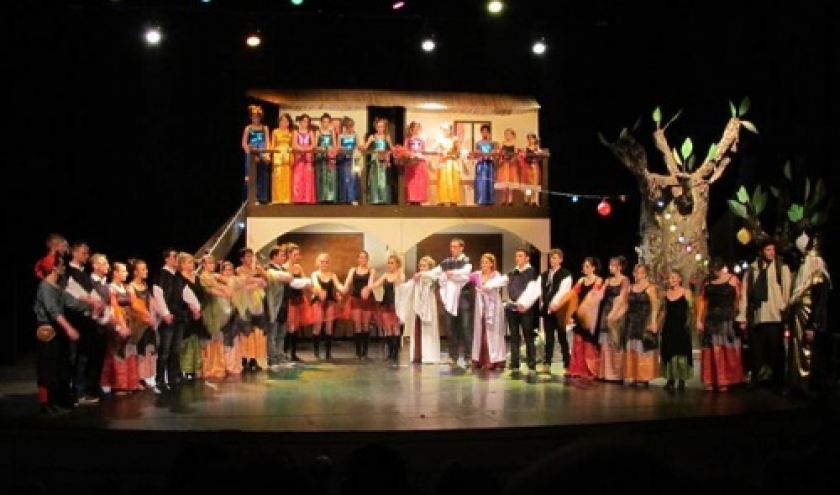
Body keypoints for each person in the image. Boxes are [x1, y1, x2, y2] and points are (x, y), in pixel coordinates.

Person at [33, 253, 98, 415]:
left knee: (61, 366)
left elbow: (71, 302)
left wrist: (91, 307)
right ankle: (46, 403)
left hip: (58, 330)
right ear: (54, 268)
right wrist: (69, 328)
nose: (63, 267)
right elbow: (54, 312)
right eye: (61, 264)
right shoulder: (45, 286)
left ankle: (58, 399)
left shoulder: (58, 287)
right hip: (47, 329)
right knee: (48, 368)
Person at [737, 236, 792, 389]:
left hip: (775, 316)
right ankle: (756, 378)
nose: (771, 252)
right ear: (761, 251)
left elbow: (787, 291)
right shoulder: (753, 269)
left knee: (775, 351)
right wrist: (742, 316)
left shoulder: (782, 268)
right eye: (768, 249)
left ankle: (778, 381)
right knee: (756, 351)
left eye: (773, 249)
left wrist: (783, 307)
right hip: (758, 315)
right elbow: (745, 293)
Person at [786, 231, 832, 398]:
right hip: (800, 317)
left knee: (810, 352)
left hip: (809, 319)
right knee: (798, 350)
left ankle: (808, 384)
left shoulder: (819, 278)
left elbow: (820, 304)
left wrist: (812, 325)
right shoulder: (803, 279)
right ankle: (797, 383)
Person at [420, 237, 473, 369]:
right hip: (450, 299)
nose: (452, 249)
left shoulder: (466, 261)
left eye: (455, 247)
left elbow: (465, 273)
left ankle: (468, 357)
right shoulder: (446, 262)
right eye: (451, 247)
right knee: (450, 328)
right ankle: (453, 357)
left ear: (461, 248)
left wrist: (452, 273)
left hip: (463, 298)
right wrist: (422, 274)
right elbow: (435, 272)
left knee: (465, 328)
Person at [695, 258, 744, 392]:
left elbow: (740, 299)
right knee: (711, 350)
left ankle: (726, 380)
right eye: (712, 270)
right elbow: (702, 302)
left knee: (726, 349)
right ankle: (710, 380)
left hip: (727, 319)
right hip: (711, 319)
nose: (714, 272)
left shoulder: (733, 280)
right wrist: (699, 320)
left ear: (722, 268)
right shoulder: (707, 282)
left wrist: (742, 318)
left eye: (716, 270)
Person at [615, 263, 660, 387]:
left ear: (645, 274)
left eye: (641, 272)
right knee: (631, 346)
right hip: (631, 321)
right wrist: (617, 317)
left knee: (643, 347)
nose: (638, 275)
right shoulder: (630, 288)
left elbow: (655, 306)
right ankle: (633, 375)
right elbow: (625, 305)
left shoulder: (650, 288)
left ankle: (644, 377)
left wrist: (654, 321)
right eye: (636, 272)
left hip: (644, 320)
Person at [559, 256, 603, 381]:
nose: (585, 268)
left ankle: (591, 369)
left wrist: (585, 311)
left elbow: (593, 296)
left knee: (589, 342)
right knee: (578, 341)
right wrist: (560, 303)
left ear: (593, 268)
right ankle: (577, 369)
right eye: (584, 266)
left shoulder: (598, 280)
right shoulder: (581, 280)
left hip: (591, 314)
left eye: (587, 266)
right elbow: (572, 293)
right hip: (579, 312)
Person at [152, 248, 189, 392]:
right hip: (168, 317)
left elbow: (186, 292)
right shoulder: (161, 275)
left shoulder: (178, 276)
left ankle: (173, 376)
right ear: (167, 259)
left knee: (175, 348)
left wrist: (195, 307)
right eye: (174, 257)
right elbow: (158, 295)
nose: (176, 259)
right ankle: (160, 379)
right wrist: (165, 313)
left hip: (179, 316)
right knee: (165, 349)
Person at [395, 255, 441, 364]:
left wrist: (421, 275)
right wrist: (398, 284)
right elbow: (405, 287)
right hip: (418, 308)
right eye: (420, 266)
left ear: (430, 267)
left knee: (428, 330)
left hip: (428, 307)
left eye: (424, 266)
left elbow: (432, 276)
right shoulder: (417, 278)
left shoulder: (432, 276)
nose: (421, 268)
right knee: (417, 330)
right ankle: (418, 355)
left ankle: (429, 355)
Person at [469, 253, 508, 370]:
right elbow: (464, 278)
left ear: (491, 264)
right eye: (482, 262)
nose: (483, 264)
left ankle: (493, 359)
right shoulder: (477, 275)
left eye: (486, 262)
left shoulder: (496, 275)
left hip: (493, 307)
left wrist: (488, 286)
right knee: (481, 332)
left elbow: (504, 281)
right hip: (481, 307)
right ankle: (480, 359)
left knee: (492, 333)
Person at [595, 255, 630, 383]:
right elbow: (600, 294)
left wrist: (614, 313)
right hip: (607, 310)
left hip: (618, 312)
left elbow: (623, 297)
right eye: (610, 265)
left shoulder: (625, 280)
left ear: (619, 267)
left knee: (616, 341)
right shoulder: (608, 280)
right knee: (606, 342)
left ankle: (617, 375)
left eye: (613, 265)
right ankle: (606, 373)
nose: (610, 267)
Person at [507, 247, 542, 374]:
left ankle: (531, 364)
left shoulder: (531, 272)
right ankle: (514, 363)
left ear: (527, 258)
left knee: (528, 336)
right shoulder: (512, 272)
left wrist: (524, 303)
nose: (518, 258)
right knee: (514, 336)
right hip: (513, 307)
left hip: (525, 308)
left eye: (520, 256)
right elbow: (510, 287)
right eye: (516, 256)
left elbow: (532, 290)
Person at [659, 270, 693, 391]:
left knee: (681, 352)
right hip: (669, 326)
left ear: (680, 279)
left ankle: (682, 379)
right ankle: (670, 379)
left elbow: (691, 310)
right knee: (669, 352)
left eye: (674, 277)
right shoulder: (666, 293)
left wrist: (689, 323)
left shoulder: (686, 292)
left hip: (681, 326)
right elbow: (663, 311)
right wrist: (657, 324)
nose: (671, 280)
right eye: (670, 278)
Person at [540, 249, 573, 372]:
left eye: (554, 258)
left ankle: (567, 364)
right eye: (551, 258)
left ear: (560, 259)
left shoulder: (566, 274)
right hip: (547, 310)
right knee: (548, 338)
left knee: (562, 337)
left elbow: (563, 291)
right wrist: (546, 304)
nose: (552, 260)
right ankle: (547, 363)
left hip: (559, 309)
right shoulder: (545, 275)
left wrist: (554, 304)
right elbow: (542, 291)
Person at [370, 254, 406, 363]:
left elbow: (400, 282)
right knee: (388, 329)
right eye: (388, 263)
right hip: (386, 304)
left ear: (397, 264)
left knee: (395, 328)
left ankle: (395, 353)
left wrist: (398, 272)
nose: (389, 265)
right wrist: (371, 277)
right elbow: (374, 285)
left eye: (392, 263)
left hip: (396, 304)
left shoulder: (401, 275)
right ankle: (390, 352)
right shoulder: (385, 275)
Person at [342, 250, 377, 360]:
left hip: (367, 300)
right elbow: (347, 284)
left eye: (365, 257)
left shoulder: (371, 270)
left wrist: (367, 289)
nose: (363, 259)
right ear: (358, 259)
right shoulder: (353, 270)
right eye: (361, 257)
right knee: (357, 325)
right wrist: (342, 291)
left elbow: (371, 283)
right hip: (356, 299)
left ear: (368, 259)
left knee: (365, 325)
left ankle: (365, 352)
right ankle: (358, 353)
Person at [310, 252, 345, 361]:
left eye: (326, 262)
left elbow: (338, 285)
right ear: (318, 262)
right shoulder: (315, 274)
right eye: (322, 262)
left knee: (329, 328)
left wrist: (342, 289)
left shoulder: (332, 274)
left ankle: (328, 353)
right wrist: (320, 291)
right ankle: (316, 352)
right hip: (318, 301)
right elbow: (316, 284)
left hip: (330, 301)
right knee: (317, 326)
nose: (324, 264)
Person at [241, 104, 271, 204]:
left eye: (257, 117)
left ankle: (262, 198)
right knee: (251, 175)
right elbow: (244, 143)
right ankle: (251, 198)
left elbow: (267, 141)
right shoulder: (248, 128)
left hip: (262, 151)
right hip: (252, 152)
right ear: (251, 118)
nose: (256, 119)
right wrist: (249, 154)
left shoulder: (264, 128)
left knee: (263, 174)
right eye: (254, 117)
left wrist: (267, 154)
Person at [364, 117, 394, 205]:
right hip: (375, 159)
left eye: (382, 127)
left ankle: (383, 198)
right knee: (374, 179)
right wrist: (362, 147)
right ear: (376, 127)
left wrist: (387, 154)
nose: (380, 128)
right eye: (378, 127)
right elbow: (365, 147)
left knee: (383, 179)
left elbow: (392, 149)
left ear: (384, 128)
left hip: (384, 159)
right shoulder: (372, 137)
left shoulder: (386, 137)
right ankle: (375, 199)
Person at [434, 122, 463, 206]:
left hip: (452, 162)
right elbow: (434, 149)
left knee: (453, 181)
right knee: (443, 180)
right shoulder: (440, 140)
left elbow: (458, 152)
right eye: (444, 130)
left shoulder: (454, 140)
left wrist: (454, 155)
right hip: (443, 162)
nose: (445, 131)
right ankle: (442, 200)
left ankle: (453, 200)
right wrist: (441, 153)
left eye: (447, 129)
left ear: (450, 130)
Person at [269, 112, 295, 204]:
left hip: (287, 154)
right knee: (277, 176)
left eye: (286, 121)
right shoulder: (275, 131)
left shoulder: (291, 132)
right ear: (279, 122)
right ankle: (277, 198)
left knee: (287, 177)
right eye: (282, 120)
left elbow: (292, 146)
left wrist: (292, 156)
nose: (284, 123)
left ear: (289, 123)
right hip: (278, 155)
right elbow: (272, 145)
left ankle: (286, 199)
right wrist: (269, 154)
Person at [292, 113, 316, 204]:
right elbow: (294, 144)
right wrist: (301, 149)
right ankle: (298, 198)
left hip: (308, 155)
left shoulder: (310, 132)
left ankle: (307, 198)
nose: (305, 123)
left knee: (308, 176)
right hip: (299, 155)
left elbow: (313, 144)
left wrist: (307, 149)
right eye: (304, 121)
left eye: (307, 121)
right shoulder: (296, 132)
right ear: (300, 122)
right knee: (298, 176)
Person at [403, 121, 430, 205]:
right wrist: (410, 155)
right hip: (411, 162)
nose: (417, 129)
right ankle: (412, 198)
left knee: (420, 181)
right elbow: (405, 150)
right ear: (411, 129)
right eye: (415, 127)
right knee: (412, 181)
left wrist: (420, 155)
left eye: (418, 127)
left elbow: (423, 150)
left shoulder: (422, 139)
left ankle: (419, 199)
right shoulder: (408, 140)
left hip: (420, 162)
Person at [337, 116, 361, 205]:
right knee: (344, 178)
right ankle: (344, 198)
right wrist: (342, 150)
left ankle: (353, 198)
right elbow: (338, 147)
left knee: (353, 178)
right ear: (346, 127)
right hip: (344, 160)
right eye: (351, 127)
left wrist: (357, 151)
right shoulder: (341, 136)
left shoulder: (355, 135)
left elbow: (358, 146)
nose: (352, 128)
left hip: (353, 160)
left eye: (353, 126)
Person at [314, 112, 338, 203]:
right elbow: (315, 146)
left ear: (330, 123)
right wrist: (321, 148)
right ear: (321, 122)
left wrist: (332, 150)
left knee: (330, 175)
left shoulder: (332, 132)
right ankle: (322, 197)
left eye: (327, 122)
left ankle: (330, 197)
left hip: (330, 155)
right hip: (321, 155)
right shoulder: (318, 132)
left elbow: (335, 145)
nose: (326, 124)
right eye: (324, 122)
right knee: (321, 175)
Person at [473, 124, 497, 206]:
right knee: (481, 181)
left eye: (486, 132)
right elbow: (475, 154)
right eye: (483, 132)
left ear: (489, 133)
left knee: (489, 181)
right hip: (481, 164)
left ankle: (490, 200)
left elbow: (495, 153)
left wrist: (492, 154)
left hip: (489, 164)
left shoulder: (492, 143)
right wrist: (478, 154)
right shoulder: (478, 143)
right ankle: (481, 200)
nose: (485, 133)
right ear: (481, 133)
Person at [495, 128, 519, 206]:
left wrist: (513, 159)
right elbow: (500, 153)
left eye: (508, 134)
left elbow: (516, 154)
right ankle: (503, 200)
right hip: (504, 164)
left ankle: (510, 200)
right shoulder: (503, 143)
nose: (507, 135)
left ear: (512, 135)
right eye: (505, 134)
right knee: (504, 182)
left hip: (511, 165)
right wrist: (501, 157)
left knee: (511, 182)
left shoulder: (514, 143)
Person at [520, 133, 543, 206]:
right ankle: (526, 200)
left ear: (535, 139)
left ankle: (533, 200)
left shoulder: (537, 148)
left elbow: (540, 157)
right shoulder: (525, 148)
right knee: (527, 184)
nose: (530, 140)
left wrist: (537, 155)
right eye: (529, 139)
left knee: (534, 184)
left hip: (534, 167)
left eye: (532, 138)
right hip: (527, 168)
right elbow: (521, 157)